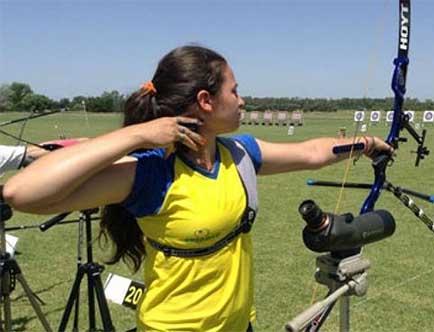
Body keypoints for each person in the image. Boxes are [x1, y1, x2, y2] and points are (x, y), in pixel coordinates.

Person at [3, 45, 393, 332]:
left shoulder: (239, 154)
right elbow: (22, 192)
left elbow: (311, 152)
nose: (243, 100)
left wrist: (365, 144)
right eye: (234, 91)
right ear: (206, 101)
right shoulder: (152, 171)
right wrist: (137, 135)